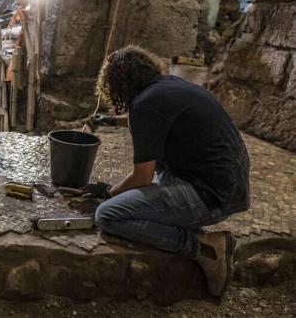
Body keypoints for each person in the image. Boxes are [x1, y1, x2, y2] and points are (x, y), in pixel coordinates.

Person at [90, 45, 250, 297]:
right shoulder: (167, 86)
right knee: (154, 177)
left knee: (108, 215)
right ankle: (177, 219)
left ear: (117, 84)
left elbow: (141, 176)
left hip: (210, 196)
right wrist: (110, 120)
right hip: (227, 184)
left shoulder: (145, 104)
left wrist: (109, 193)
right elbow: (148, 116)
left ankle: (204, 248)